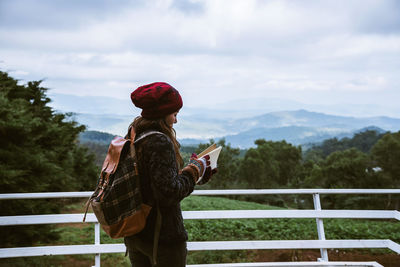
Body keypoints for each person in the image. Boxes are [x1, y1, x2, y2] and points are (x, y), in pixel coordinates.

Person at [124, 82, 216, 267]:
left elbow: (154, 181)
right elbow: (169, 193)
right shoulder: (159, 141)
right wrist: (193, 172)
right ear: (162, 114)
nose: (176, 120)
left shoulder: (135, 134)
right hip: (161, 238)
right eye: (174, 114)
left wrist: (190, 174)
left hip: (136, 233)